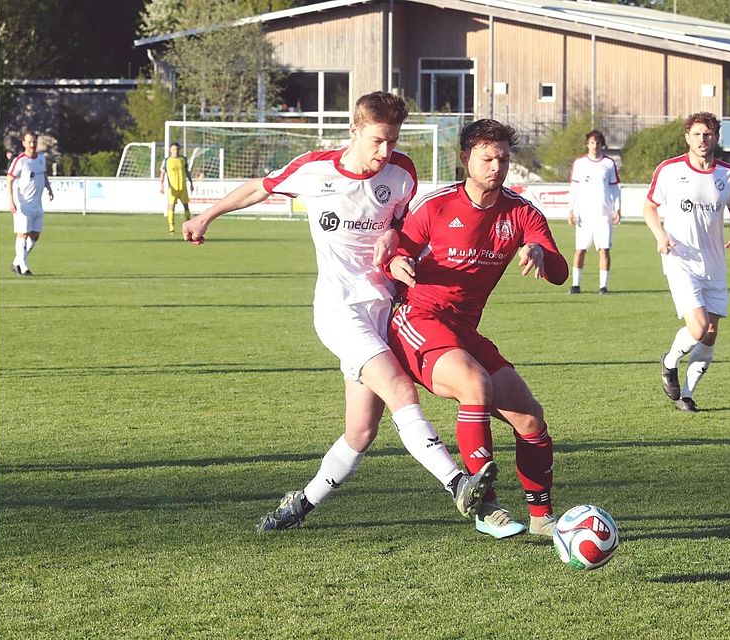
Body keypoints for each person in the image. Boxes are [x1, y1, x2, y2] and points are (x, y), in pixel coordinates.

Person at [181, 91, 496, 531]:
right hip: (339, 309)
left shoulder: (402, 172)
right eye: (377, 140)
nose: (385, 151)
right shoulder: (315, 169)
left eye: (392, 140)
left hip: (384, 309)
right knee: (400, 389)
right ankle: (457, 483)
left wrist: (395, 239)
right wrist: (206, 216)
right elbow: (258, 187)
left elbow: (406, 227)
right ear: (354, 130)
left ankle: (298, 505)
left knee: (361, 432)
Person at [385, 119, 569, 539]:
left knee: (530, 418)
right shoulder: (436, 206)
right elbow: (397, 253)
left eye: (503, 159)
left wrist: (540, 252)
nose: (496, 167)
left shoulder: (521, 212)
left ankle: (542, 518)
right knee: (475, 384)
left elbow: (559, 274)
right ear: (465, 158)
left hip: (464, 329)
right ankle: (486, 507)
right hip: (418, 318)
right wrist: (397, 262)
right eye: (487, 159)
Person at [643, 112, 730, 413]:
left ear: (716, 137)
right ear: (687, 137)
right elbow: (649, 207)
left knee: (710, 334)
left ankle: (686, 395)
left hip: (714, 264)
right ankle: (669, 361)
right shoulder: (670, 170)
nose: (703, 139)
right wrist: (660, 235)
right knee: (699, 328)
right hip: (680, 260)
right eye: (698, 134)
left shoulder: (728, 175)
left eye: (709, 133)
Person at [566, 129, 621, 295]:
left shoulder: (609, 164)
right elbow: (574, 188)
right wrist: (571, 210)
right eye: (592, 142)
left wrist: (617, 208)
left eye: (598, 142)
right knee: (580, 250)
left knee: (604, 250)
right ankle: (575, 284)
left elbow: (615, 188)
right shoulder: (580, 163)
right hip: (584, 216)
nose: (595, 145)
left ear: (602, 144)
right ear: (587, 144)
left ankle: (603, 286)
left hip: (603, 215)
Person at [7, 132, 54, 276]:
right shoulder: (20, 160)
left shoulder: (41, 158)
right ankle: (23, 267)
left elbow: (44, 174)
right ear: (24, 143)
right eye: (29, 142)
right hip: (23, 204)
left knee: (34, 236)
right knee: (22, 234)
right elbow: (9, 180)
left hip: (37, 204)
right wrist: (11, 201)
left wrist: (49, 189)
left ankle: (17, 261)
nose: (32, 145)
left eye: (34, 141)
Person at [159, 142, 195, 234]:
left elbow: (187, 171)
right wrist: (161, 184)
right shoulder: (167, 160)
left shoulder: (183, 159)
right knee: (171, 207)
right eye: (174, 149)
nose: (176, 151)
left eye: (177, 149)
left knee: (186, 206)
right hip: (172, 188)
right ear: (170, 150)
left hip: (183, 187)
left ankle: (189, 226)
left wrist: (191, 183)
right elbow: (162, 173)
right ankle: (171, 228)